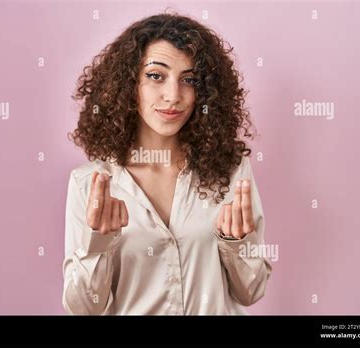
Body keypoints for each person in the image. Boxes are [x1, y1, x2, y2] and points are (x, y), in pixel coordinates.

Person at [62, 12, 272, 315]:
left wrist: (237, 245)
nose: (173, 95)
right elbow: (83, 308)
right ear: (128, 84)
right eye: (155, 76)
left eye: (188, 80)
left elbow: (251, 291)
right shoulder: (90, 183)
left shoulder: (230, 172)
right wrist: (99, 245)